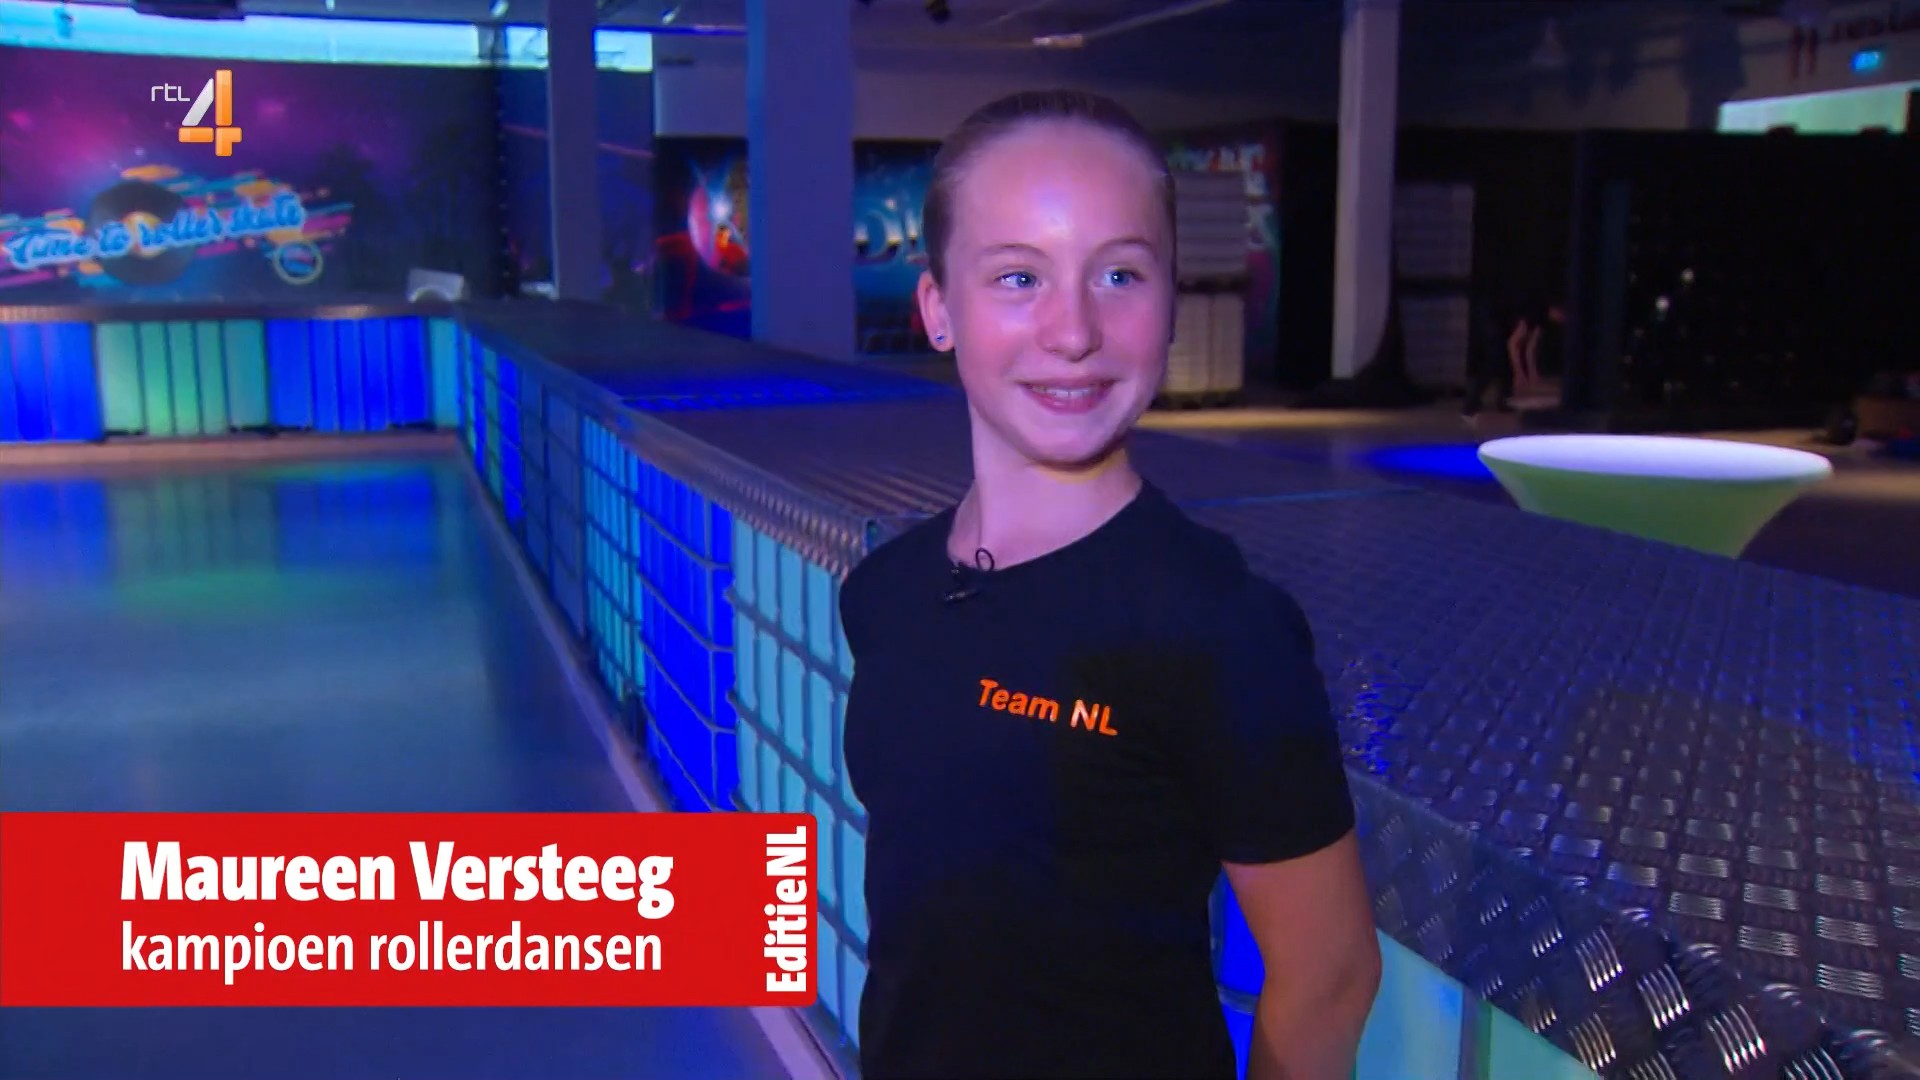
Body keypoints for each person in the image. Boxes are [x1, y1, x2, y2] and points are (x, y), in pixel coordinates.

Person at [838, 89, 1382, 1080]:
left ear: (1172, 303)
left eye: (1120, 274)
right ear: (938, 309)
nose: (1075, 331)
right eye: (1018, 278)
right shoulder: (886, 594)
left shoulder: (1217, 628)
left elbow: (1331, 976)